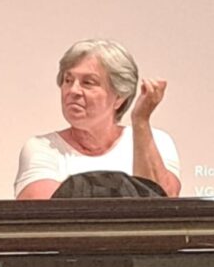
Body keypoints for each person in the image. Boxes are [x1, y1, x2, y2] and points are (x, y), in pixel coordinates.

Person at [15, 39, 180, 199]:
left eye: (88, 82)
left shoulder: (157, 141)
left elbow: (164, 204)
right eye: (68, 80)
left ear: (119, 97)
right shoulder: (42, 147)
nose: (73, 90)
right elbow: (45, 210)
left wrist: (141, 122)